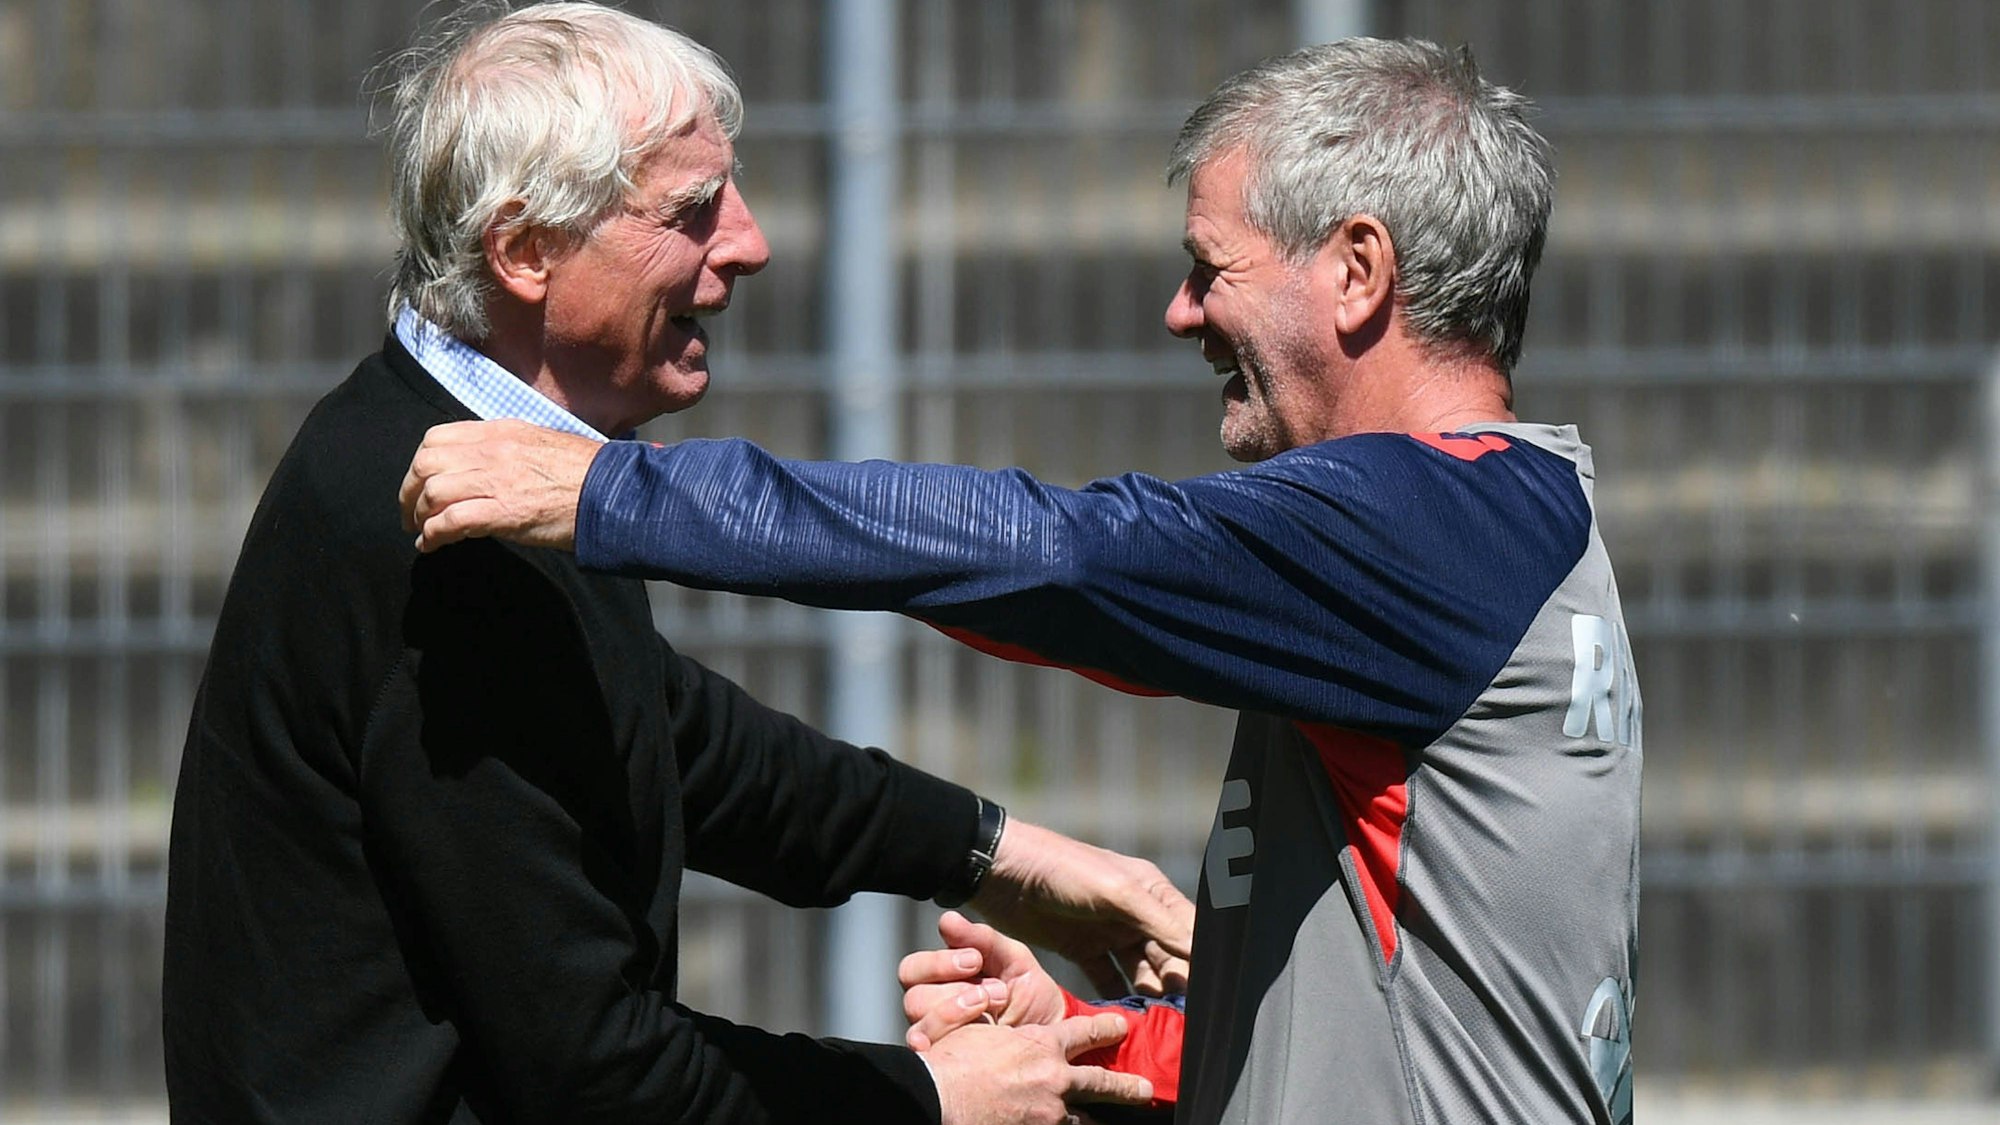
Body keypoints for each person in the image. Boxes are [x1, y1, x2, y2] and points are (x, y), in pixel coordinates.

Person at [400, 36, 1641, 1125]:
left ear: (1357, 272)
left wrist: (617, 496)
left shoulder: (1426, 528)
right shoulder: (1483, 533)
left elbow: (1058, 554)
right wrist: (1104, 1044)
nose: (1178, 311)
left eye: (1211, 268)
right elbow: (1399, 1032)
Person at [163, 5, 1194, 1124]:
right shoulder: (454, 554)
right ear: (524, 251)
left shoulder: (478, 452)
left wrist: (998, 855)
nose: (748, 242)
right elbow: (594, 1077)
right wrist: (929, 1098)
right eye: (691, 212)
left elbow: (671, 735)